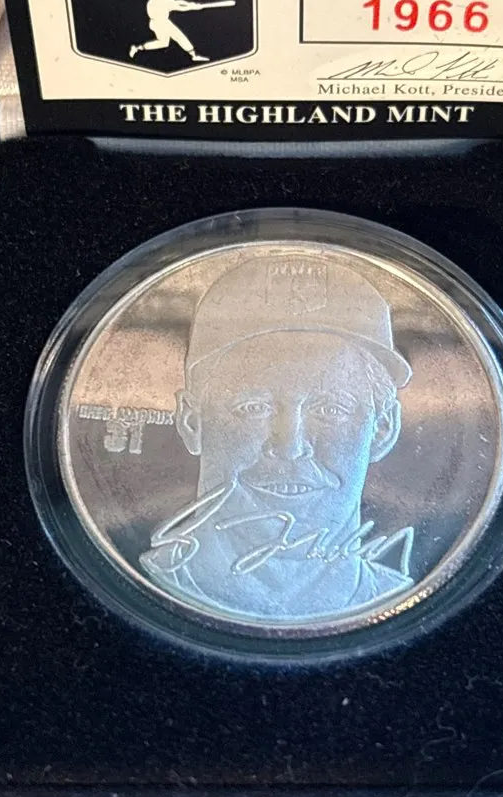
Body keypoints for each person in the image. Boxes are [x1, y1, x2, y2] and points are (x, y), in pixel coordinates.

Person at [140, 253, 414, 622]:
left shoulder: (402, 599)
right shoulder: (141, 581)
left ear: (383, 428)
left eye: (331, 410)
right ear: (192, 422)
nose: (289, 446)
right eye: (254, 408)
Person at [128, 0, 214, 62]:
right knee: (167, 41)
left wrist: (191, 4)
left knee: (173, 39)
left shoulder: (154, 0)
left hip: (161, 23)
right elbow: (180, 8)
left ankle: (194, 55)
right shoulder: (160, 2)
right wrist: (194, 7)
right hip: (160, 24)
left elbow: (178, 1)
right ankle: (137, 48)